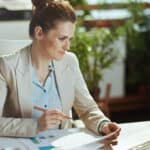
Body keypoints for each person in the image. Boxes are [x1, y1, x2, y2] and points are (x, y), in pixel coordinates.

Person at [0, 0, 120, 144]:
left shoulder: (70, 62)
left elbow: (87, 109)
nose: (68, 46)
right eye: (62, 38)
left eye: (70, 39)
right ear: (39, 33)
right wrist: (35, 125)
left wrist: (103, 125)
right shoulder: (7, 66)